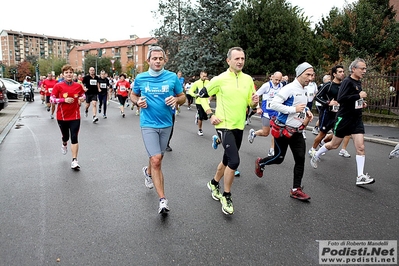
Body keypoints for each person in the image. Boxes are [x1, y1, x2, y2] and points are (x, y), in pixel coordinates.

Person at [200, 47, 259, 215]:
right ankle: (226, 195)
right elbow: (201, 97)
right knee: (234, 161)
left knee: (226, 160)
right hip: (223, 125)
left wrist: (254, 102)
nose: (240, 61)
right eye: (237, 58)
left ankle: (213, 183)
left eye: (242, 58)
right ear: (228, 61)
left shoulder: (248, 79)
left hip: (239, 125)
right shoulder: (220, 79)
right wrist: (210, 115)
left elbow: (251, 103)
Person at [130, 46, 186, 214]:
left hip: (167, 123)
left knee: (157, 157)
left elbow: (182, 96)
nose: (157, 61)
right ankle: (163, 199)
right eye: (154, 58)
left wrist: (176, 100)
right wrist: (137, 101)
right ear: (148, 61)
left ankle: (148, 172)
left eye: (160, 58)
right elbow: (133, 95)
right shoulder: (141, 78)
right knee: (156, 159)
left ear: (164, 60)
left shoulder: (172, 77)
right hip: (148, 123)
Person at [254, 62, 314, 201]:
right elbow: (275, 104)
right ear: (299, 74)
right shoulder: (289, 88)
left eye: (312, 75)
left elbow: (300, 106)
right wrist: (294, 110)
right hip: (283, 129)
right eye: (307, 75)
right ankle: (261, 163)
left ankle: (296, 189)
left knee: (300, 159)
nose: (310, 78)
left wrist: (307, 111)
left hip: (297, 131)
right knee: (279, 158)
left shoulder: (304, 89)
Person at [310, 58, 375, 186]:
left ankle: (360, 176)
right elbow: (341, 98)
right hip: (344, 118)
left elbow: (353, 100)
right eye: (362, 68)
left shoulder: (358, 82)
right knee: (334, 145)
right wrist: (358, 96)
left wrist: (361, 103)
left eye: (365, 68)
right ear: (354, 69)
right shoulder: (347, 82)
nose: (364, 71)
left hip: (356, 119)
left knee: (360, 147)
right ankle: (316, 154)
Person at [50, 64, 86, 169]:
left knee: (74, 137)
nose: (69, 74)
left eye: (70, 72)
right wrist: (63, 100)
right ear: (63, 74)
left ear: (73, 74)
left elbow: (83, 94)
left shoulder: (78, 85)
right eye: (66, 72)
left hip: (75, 116)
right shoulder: (58, 86)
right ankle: (64, 142)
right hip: (62, 116)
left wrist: (82, 98)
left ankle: (74, 160)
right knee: (66, 136)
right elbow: (52, 99)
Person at [308, 65, 345, 157]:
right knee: (322, 133)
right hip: (327, 113)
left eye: (343, 71)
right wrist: (328, 102)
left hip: (339, 114)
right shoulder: (328, 85)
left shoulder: (344, 85)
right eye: (340, 72)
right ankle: (312, 149)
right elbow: (316, 97)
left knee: (339, 133)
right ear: (334, 74)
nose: (342, 73)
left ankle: (323, 142)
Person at [248, 71, 284, 157]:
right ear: (272, 77)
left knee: (276, 132)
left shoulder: (281, 86)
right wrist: (258, 108)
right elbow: (255, 96)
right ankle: (254, 133)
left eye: (279, 80)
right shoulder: (266, 86)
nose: (277, 82)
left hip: (276, 113)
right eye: (276, 80)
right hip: (266, 113)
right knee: (266, 133)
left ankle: (272, 149)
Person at [189, 71, 210, 136]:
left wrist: (209, 99)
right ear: (200, 75)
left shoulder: (208, 82)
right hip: (199, 102)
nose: (205, 77)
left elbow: (211, 91)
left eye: (205, 76)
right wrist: (195, 95)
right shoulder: (197, 83)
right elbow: (190, 91)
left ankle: (197, 116)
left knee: (206, 117)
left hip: (206, 102)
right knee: (201, 116)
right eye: (203, 76)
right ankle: (200, 130)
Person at [302, 74, 318, 139]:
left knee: (308, 117)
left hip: (310, 102)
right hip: (304, 102)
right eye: (311, 75)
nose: (312, 77)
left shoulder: (314, 84)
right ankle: (301, 130)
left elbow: (316, 92)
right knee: (302, 116)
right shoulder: (305, 83)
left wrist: (313, 96)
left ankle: (303, 130)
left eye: (313, 76)